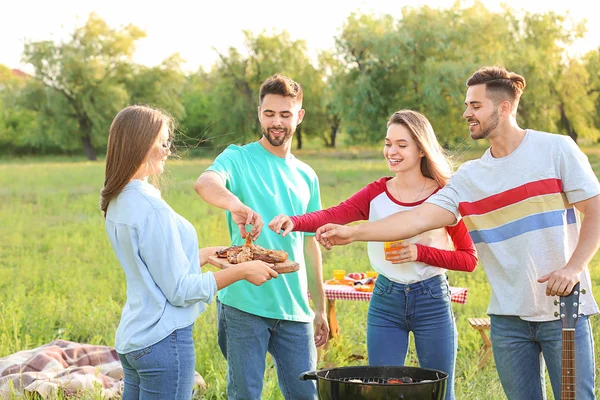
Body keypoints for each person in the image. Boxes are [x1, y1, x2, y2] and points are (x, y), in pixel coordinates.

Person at [315, 66, 600, 400]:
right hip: (507, 317)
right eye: (467, 105)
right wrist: (355, 233)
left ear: (504, 108)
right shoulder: (470, 178)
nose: (467, 113)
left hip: (563, 309)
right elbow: (416, 219)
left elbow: (595, 211)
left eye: (475, 106)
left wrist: (573, 268)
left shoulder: (555, 150)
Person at [268, 109, 477, 400]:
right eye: (388, 143)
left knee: (440, 394)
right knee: (381, 393)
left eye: (401, 145)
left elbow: (469, 259)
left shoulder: (444, 195)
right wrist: (295, 222)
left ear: (421, 149)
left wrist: (420, 252)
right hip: (386, 300)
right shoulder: (376, 192)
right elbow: (336, 214)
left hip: (431, 300)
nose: (391, 151)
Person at [100, 105, 278, 400]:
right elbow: (180, 291)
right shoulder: (151, 209)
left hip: (133, 340)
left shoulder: (117, 200)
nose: (168, 149)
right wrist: (242, 271)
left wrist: (208, 254)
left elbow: (154, 268)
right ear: (142, 144)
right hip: (162, 342)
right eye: (163, 142)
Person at [193, 74, 328, 399]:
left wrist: (319, 309)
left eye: (285, 114)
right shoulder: (238, 158)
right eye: (269, 114)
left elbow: (309, 245)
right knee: (245, 394)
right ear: (259, 113)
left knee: (305, 395)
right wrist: (236, 205)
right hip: (244, 303)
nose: (277, 122)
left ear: (299, 115)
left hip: (295, 309)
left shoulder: (307, 176)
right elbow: (205, 183)